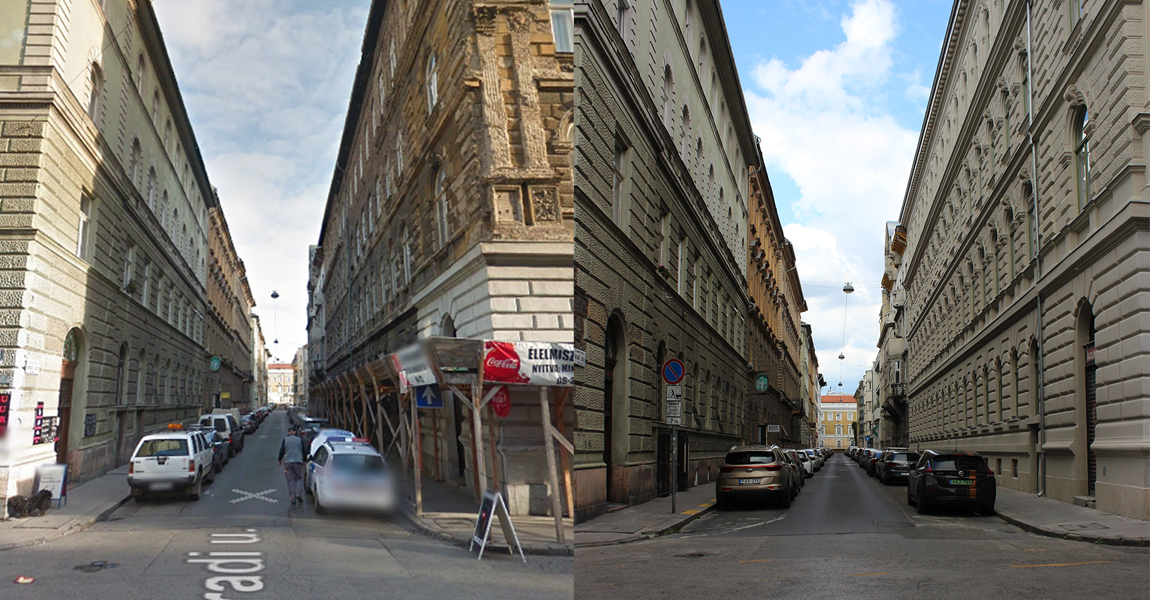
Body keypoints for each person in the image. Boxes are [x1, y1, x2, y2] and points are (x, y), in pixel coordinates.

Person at [278, 427, 306, 506]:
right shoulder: (300, 440)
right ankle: (298, 493)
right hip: (298, 461)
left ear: (289, 432)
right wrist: (304, 460)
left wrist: (279, 460)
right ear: (295, 432)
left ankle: (292, 497)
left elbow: (282, 450)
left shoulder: (285, 440)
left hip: (288, 462)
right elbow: (304, 450)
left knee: (290, 480)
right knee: (298, 478)